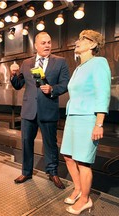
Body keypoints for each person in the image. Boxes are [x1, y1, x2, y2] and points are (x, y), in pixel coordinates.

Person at [60, 30, 111, 215]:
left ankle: (85, 199)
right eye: (78, 38)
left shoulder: (99, 63)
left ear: (93, 45)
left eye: (83, 39)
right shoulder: (79, 67)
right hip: (73, 116)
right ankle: (78, 188)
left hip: (88, 118)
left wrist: (99, 123)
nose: (78, 41)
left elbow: (102, 93)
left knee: (83, 162)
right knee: (68, 156)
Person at [10, 32, 70, 189]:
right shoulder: (27, 63)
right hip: (29, 110)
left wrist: (52, 89)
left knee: (50, 144)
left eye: (49, 42)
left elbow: (65, 84)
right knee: (26, 143)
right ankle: (26, 172)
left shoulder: (60, 62)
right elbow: (17, 85)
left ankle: (53, 173)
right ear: (35, 46)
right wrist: (13, 74)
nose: (47, 45)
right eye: (43, 43)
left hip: (48, 109)